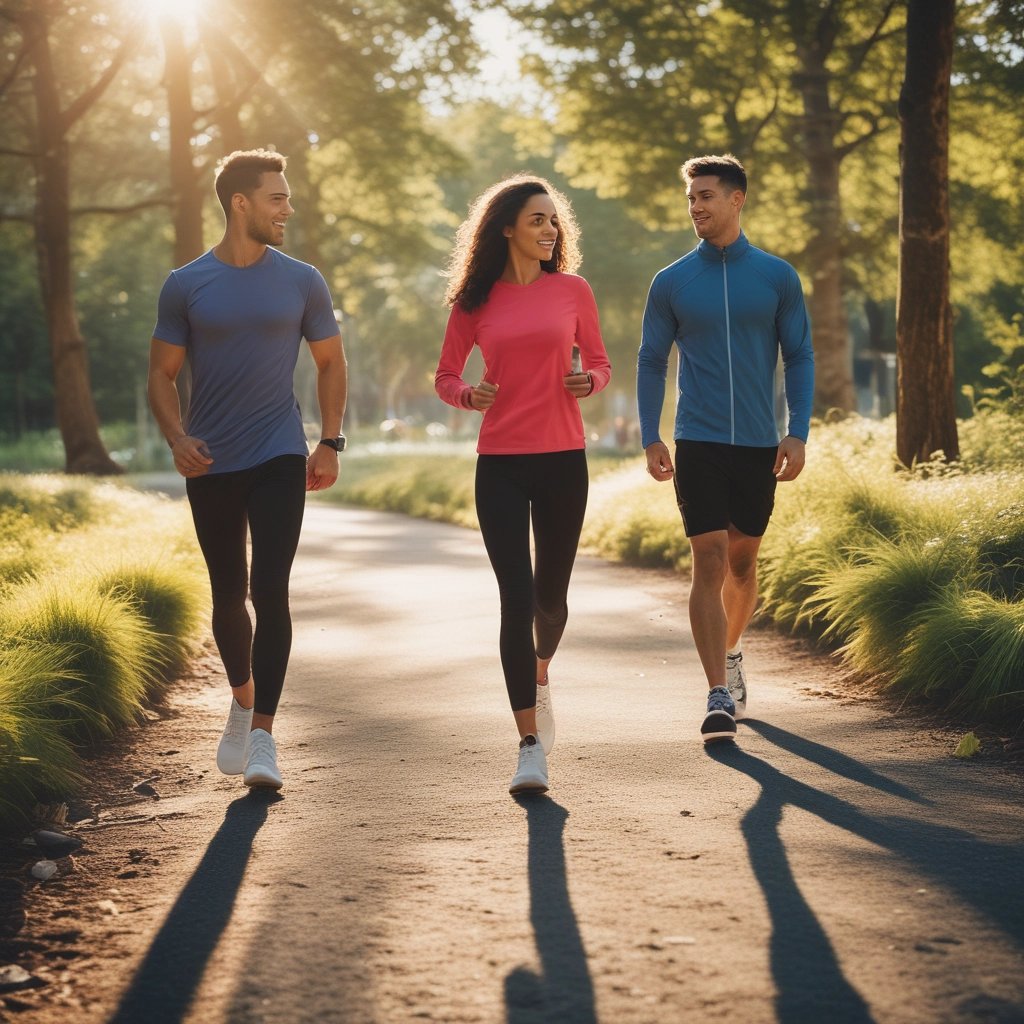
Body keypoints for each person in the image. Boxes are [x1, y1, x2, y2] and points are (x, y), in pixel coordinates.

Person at [148, 149, 347, 789]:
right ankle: (241, 697)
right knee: (227, 592)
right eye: (277, 197)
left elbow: (330, 364)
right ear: (241, 203)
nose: (288, 207)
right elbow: (161, 373)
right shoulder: (186, 283)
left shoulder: (301, 279)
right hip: (210, 461)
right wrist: (177, 437)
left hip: (280, 453)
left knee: (271, 589)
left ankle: (263, 734)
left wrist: (330, 442)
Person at [435, 174, 611, 795]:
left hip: (564, 458)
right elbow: (446, 376)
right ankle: (529, 744)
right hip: (501, 464)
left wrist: (590, 382)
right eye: (537, 219)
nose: (549, 230)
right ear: (506, 227)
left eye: (553, 221)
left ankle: (539, 676)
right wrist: (469, 395)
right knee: (516, 598)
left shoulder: (573, 291)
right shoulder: (474, 302)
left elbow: (600, 361)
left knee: (550, 601)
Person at [636, 153, 814, 743]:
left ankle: (732, 650)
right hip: (699, 438)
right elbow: (651, 361)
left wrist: (798, 430)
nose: (697, 207)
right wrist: (650, 434)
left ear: (738, 199)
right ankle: (716, 690)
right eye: (691, 199)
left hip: (759, 442)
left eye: (707, 196)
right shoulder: (672, 281)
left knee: (742, 560)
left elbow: (801, 356)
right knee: (708, 557)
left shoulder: (776, 277)